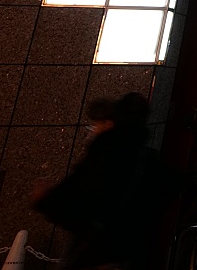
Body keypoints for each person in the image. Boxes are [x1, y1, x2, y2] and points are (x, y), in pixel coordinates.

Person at [34, 93, 172, 270]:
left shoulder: (103, 157)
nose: (93, 129)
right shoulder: (151, 161)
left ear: (110, 123)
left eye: (96, 124)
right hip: (133, 256)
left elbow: (77, 203)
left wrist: (45, 198)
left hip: (97, 255)